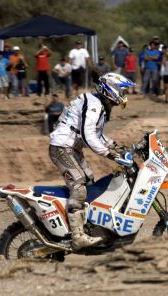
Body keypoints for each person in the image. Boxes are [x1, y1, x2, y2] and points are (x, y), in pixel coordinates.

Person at [49, 73, 136, 250]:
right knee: (79, 186)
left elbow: (97, 135)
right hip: (62, 147)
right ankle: (77, 237)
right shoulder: (94, 104)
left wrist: (116, 147)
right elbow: (88, 135)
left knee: (89, 181)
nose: (123, 94)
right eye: (121, 90)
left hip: (72, 148)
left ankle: (87, 227)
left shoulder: (99, 105)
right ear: (110, 89)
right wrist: (109, 154)